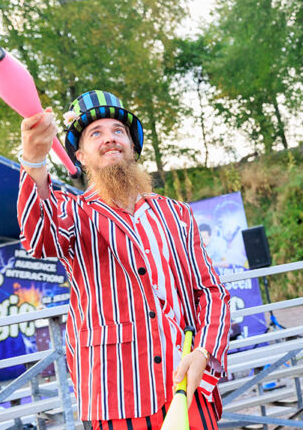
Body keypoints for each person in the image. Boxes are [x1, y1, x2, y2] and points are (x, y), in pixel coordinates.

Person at [17, 90, 230, 430]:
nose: (110, 139)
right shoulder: (74, 213)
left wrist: (204, 352)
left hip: (185, 386)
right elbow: (39, 236)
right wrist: (33, 161)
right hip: (116, 395)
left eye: (118, 130)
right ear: (81, 156)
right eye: (95, 133)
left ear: (132, 146)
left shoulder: (176, 213)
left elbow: (212, 292)